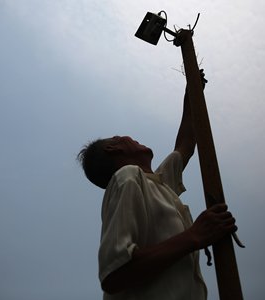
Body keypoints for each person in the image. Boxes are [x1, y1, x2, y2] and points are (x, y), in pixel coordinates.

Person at [77, 75, 237, 300]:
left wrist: (191, 93)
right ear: (113, 147)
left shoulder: (160, 185)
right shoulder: (128, 178)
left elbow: (186, 144)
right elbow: (114, 274)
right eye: (121, 136)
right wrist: (195, 235)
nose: (132, 137)